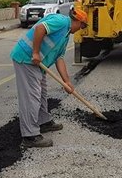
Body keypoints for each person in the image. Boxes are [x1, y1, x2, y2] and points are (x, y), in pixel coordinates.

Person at [10, 9, 88, 148]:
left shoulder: (65, 35)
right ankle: (30, 136)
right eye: (82, 26)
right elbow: (40, 28)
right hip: (27, 58)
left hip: (38, 64)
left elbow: (60, 58)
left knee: (42, 93)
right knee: (31, 96)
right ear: (77, 21)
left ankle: (43, 121)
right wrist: (35, 52)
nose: (80, 30)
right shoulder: (61, 21)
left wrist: (67, 82)